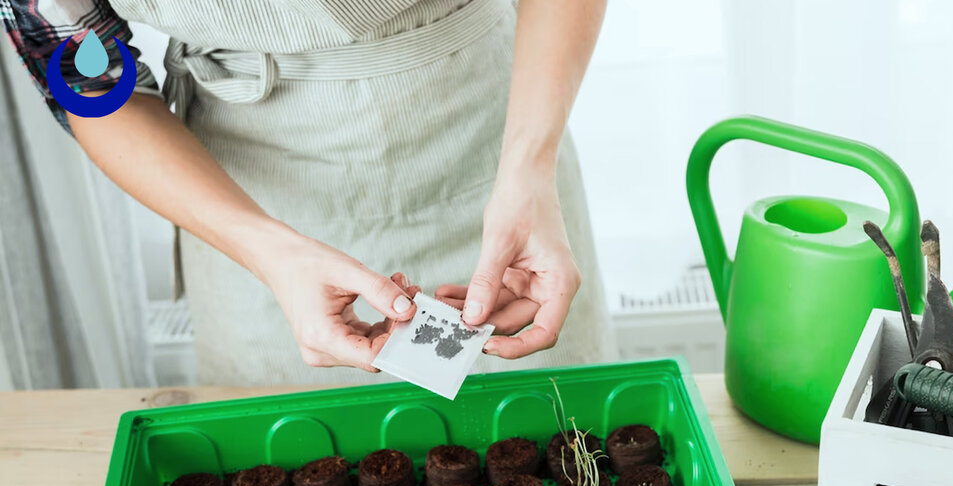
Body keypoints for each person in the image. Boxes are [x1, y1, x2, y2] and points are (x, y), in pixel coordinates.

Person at [2, 0, 617, 385]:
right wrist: (270, 252)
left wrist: (529, 168)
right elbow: (91, 81)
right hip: (245, 205)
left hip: (497, 135)